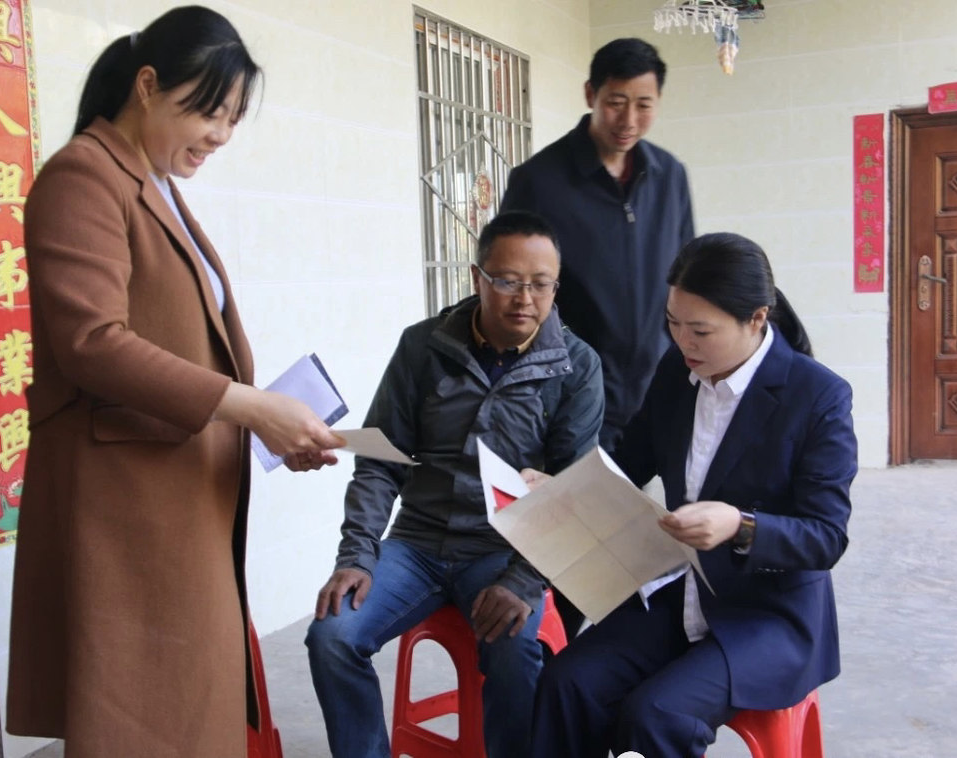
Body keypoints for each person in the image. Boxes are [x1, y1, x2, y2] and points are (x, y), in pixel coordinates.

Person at [5, 7, 344, 757]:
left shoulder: (152, 183)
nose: (220, 135)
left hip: (179, 492)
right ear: (148, 85)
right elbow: (92, 343)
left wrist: (266, 422)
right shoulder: (83, 175)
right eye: (209, 111)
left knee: (187, 708)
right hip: (126, 503)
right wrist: (251, 407)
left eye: (232, 120)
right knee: (144, 715)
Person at [528, 232, 858, 758]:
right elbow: (629, 461)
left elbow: (825, 536)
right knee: (569, 683)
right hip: (686, 591)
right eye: (673, 323)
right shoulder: (677, 373)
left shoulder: (817, 396)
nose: (684, 342)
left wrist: (740, 525)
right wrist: (565, 488)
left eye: (700, 330)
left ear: (756, 318)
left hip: (768, 615)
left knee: (657, 714)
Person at [305, 211, 604, 758]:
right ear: (476, 277)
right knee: (332, 635)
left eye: (541, 285)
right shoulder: (423, 347)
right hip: (416, 545)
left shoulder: (576, 367)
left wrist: (523, 580)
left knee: (515, 648)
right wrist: (357, 556)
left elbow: (571, 492)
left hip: (504, 550)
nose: (525, 299)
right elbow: (380, 461)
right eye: (507, 281)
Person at [499, 37, 694, 452]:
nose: (629, 120)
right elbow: (509, 288)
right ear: (591, 94)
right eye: (616, 102)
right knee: (574, 494)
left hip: (653, 394)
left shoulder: (669, 176)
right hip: (570, 395)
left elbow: (687, 278)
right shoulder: (538, 181)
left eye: (644, 105)